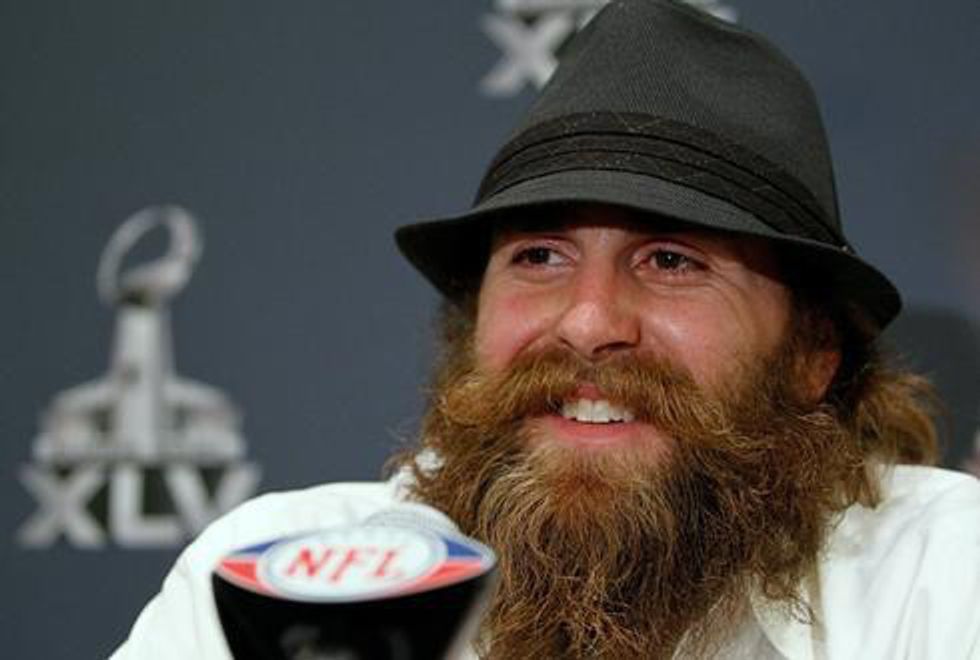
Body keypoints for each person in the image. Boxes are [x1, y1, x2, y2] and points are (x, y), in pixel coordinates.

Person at [112, 1, 980, 658]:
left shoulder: (946, 582)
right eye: (539, 256)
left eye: (671, 260)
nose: (589, 321)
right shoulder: (273, 583)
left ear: (812, 355)